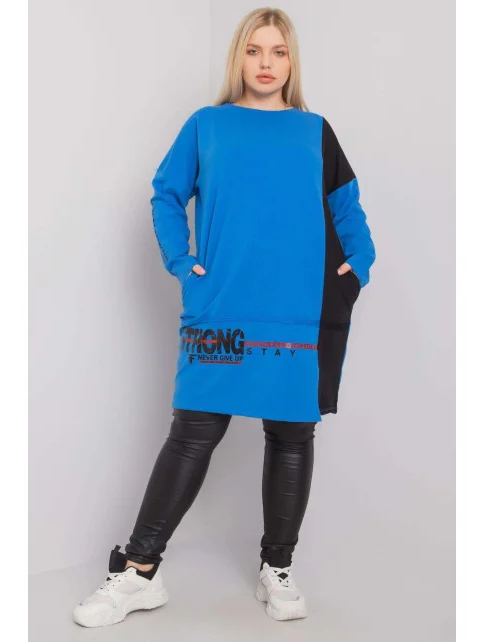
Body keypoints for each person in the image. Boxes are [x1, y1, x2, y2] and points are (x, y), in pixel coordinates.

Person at [73, 6, 376, 627]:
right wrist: (182, 262)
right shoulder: (206, 125)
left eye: (278, 52)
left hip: (296, 311)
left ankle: (277, 567)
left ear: (292, 62)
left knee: (291, 436)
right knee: (193, 432)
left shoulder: (315, 132)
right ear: (238, 56)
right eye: (254, 50)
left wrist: (361, 260)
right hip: (222, 308)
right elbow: (166, 193)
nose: (266, 63)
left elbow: (347, 207)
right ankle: (139, 571)